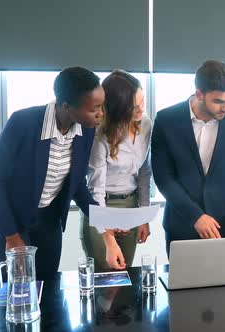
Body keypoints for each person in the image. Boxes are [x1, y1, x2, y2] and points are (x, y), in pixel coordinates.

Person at [0, 66, 104, 281]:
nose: (101, 114)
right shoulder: (23, 123)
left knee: (49, 288)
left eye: (101, 106)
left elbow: (76, 183)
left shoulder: (86, 129)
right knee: (17, 293)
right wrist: (11, 236)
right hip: (14, 221)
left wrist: (102, 218)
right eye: (94, 109)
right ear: (67, 107)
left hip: (49, 223)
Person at [151, 60, 225, 254]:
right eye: (218, 101)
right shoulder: (166, 120)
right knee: (182, 284)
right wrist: (196, 216)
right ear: (200, 94)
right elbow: (164, 178)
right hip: (181, 227)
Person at [80, 70, 152, 272]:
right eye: (134, 107)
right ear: (118, 108)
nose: (141, 111)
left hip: (130, 204)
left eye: (142, 102)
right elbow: (96, 188)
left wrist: (143, 216)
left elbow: (145, 171)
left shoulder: (145, 124)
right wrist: (108, 235)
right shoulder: (98, 133)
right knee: (106, 278)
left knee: (125, 275)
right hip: (102, 205)